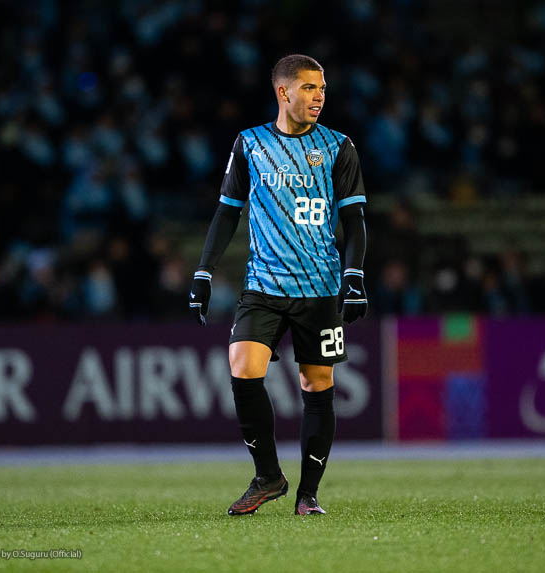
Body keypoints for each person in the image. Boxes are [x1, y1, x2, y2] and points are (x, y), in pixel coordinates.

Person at [188, 54, 368, 516]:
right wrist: (204, 271)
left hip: (320, 287)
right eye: (309, 87)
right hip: (263, 284)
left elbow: (354, 219)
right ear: (283, 92)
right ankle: (268, 476)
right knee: (242, 367)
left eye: (322, 88)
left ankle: (309, 495)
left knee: (316, 382)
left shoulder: (338, 146)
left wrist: (354, 275)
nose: (319, 96)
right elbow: (227, 211)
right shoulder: (250, 143)